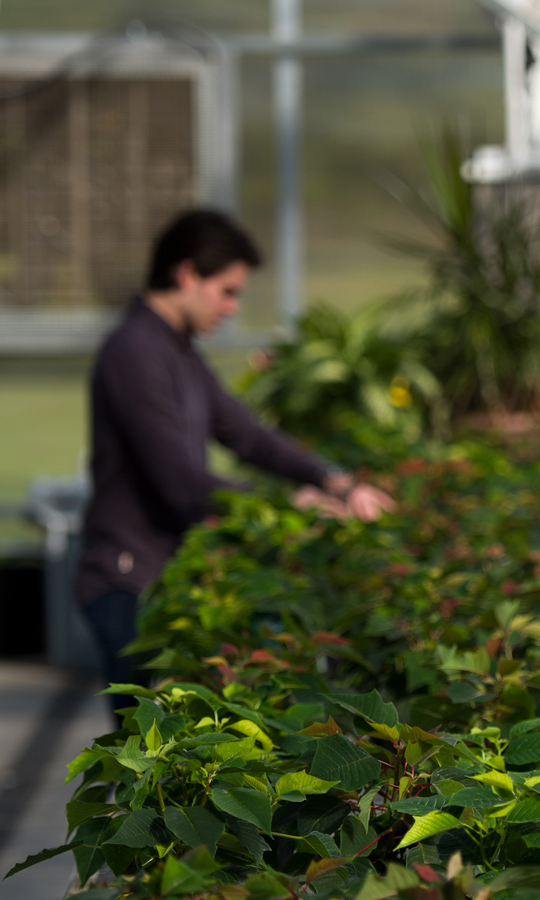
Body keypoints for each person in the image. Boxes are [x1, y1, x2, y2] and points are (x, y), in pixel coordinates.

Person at [76, 209, 393, 714]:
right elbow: (182, 483)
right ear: (186, 275)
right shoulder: (135, 353)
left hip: (157, 572)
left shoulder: (178, 352)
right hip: (127, 579)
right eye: (227, 290)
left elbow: (248, 436)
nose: (231, 307)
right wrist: (290, 507)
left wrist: (335, 482)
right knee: (144, 758)